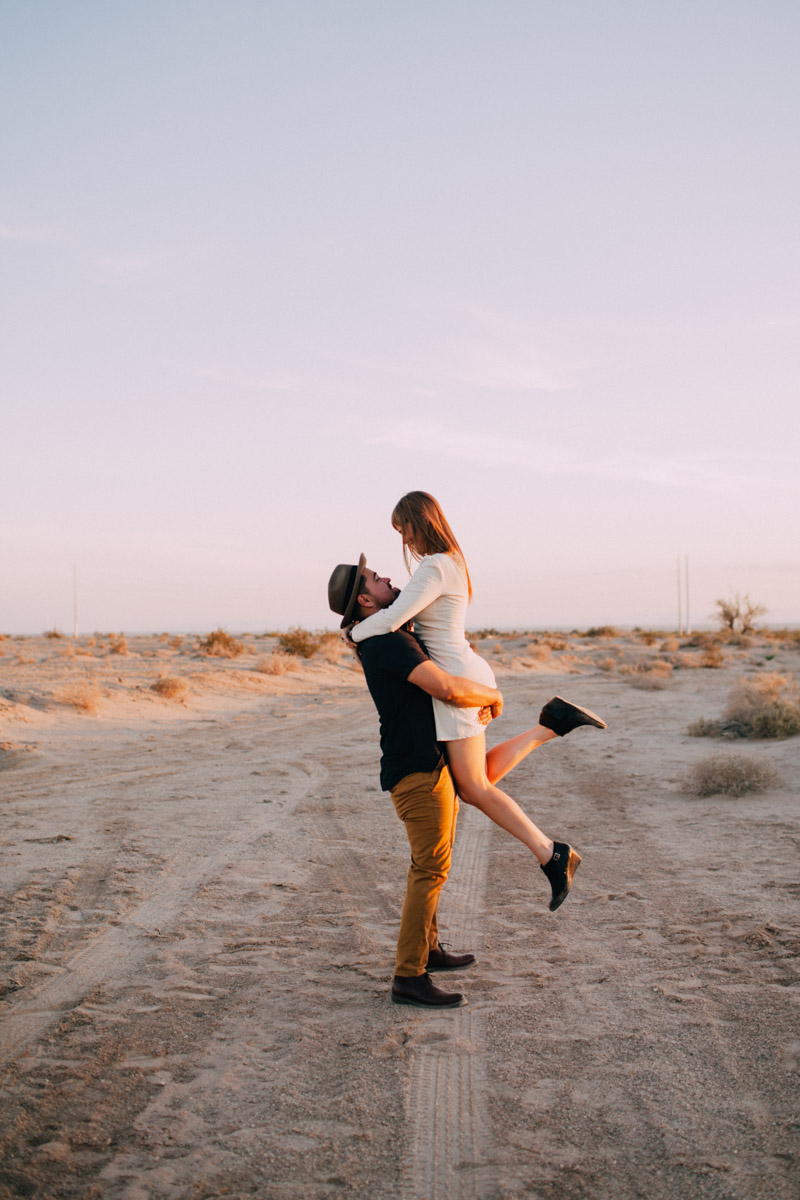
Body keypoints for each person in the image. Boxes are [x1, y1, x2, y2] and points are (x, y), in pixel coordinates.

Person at [328, 553, 603, 1009]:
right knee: (430, 869)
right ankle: (408, 977)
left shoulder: (393, 635)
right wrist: (493, 695)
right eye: (377, 578)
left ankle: (428, 950)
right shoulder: (386, 644)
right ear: (365, 599)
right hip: (416, 770)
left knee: (472, 789)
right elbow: (448, 689)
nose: (387, 577)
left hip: (427, 761)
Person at [347, 491, 605, 879]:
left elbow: (391, 620)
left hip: (457, 679)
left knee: (471, 788)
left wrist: (353, 636)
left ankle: (551, 854)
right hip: (461, 670)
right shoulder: (449, 562)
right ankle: (551, 724)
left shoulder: (434, 566)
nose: (404, 540)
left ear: (421, 521)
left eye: (404, 529)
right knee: (473, 778)